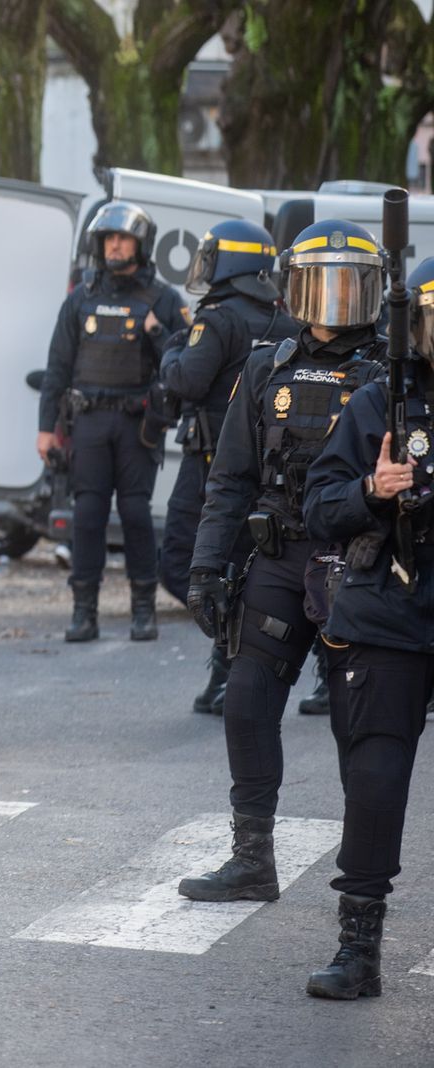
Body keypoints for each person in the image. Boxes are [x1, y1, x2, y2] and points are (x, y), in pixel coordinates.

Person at [179, 219, 387, 904]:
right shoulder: (267, 366)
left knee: (361, 728)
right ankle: (252, 859)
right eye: (317, 283)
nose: (330, 300)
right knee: (245, 703)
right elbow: (231, 479)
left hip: (360, 566)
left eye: (346, 285)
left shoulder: (393, 377)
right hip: (278, 556)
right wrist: (207, 568)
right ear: (294, 288)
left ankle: (363, 882)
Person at [299, 253, 434, 999]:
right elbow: (321, 505)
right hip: (391, 602)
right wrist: (372, 489)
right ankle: (359, 951)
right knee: (376, 776)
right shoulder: (379, 403)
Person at [157, 220, 299, 715]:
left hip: (209, 464)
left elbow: (188, 381)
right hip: (263, 468)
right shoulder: (284, 320)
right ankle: (229, 669)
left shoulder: (215, 319)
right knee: (240, 565)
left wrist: (171, 349)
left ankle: (228, 654)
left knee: (182, 558)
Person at [37, 201, 187, 642]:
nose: (115, 246)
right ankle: (84, 611)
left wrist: (158, 333)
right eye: (109, 239)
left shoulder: (163, 299)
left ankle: (144, 609)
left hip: (137, 426)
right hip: (88, 423)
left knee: (137, 515)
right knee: (87, 516)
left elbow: (183, 367)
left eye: (123, 239)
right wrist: (46, 428)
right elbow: (57, 367)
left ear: (141, 246)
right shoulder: (81, 298)